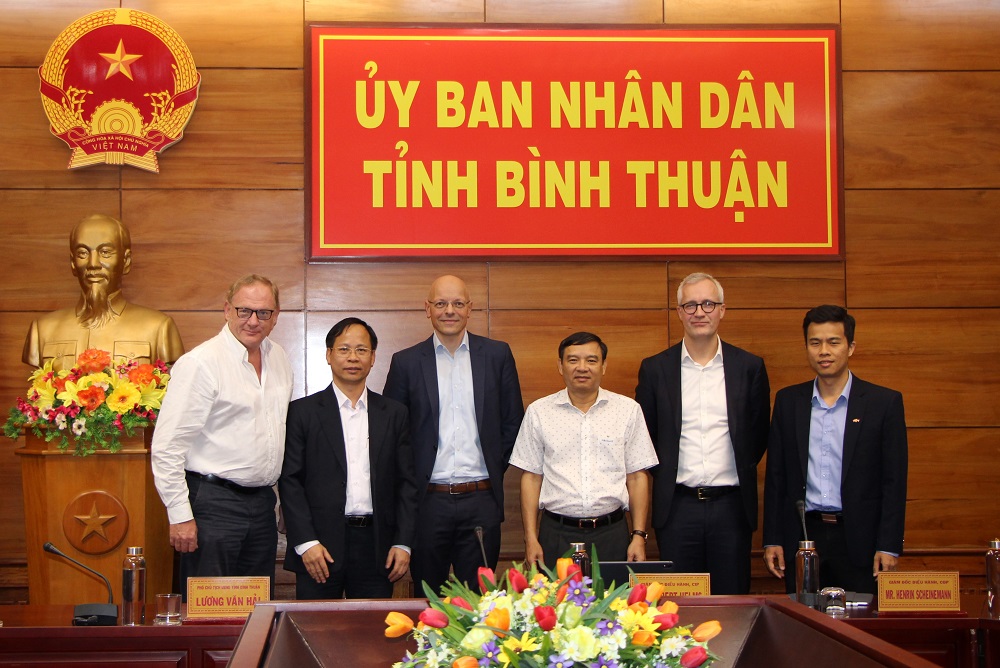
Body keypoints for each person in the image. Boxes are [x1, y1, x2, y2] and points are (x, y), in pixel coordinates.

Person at [151, 274, 293, 595]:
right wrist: (180, 515)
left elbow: (278, 436)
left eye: (264, 313)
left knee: (255, 610)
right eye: (245, 311)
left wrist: (284, 501)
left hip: (261, 506)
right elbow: (167, 447)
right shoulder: (200, 364)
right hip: (211, 506)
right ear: (227, 310)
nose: (253, 321)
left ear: (276, 317)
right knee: (207, 612)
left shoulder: (280, 359)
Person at [382, 274, 523, 595]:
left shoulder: (497, 355)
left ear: (470, 309)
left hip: (482, 500)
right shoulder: (405, 363)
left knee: (479, 600)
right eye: (441, 303)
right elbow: (393, 434)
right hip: (427, 502)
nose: (450, 311)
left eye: (458, 303)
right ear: (427, 309)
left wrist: (488, 471)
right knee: (427, 598)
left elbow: (513, 423)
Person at [635, 272, 770, 594]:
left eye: (708, 304)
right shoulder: (656, 369)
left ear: (722, 309)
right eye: (691, 305)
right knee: (678, 607)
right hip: (677, 507)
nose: (700, 312)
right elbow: (646, 437)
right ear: (679, 312)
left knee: (734, 601)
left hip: (732, 507)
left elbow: (758, 433)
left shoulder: (749, 367)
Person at [763, 305, 907, 595]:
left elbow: (894, 481)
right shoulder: (789, 402)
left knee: (859, 632)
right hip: (804, 537)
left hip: (860, 539)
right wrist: (773, 539)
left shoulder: (883, 403)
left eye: (833, 342)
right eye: (815, 343)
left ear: (851, 347)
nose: (824, 351)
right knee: (804, 630)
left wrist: (888, 544)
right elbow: (776, 476)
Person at [279, 317, 418, 599]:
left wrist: (403, 543)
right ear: (329, 355)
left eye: (361, 350)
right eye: (343, 349)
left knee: (371, 635)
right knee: (314, 635)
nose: (352, 357)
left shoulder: (394, 413)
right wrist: (306, 542)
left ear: (373, 357)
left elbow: (407, 483)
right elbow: (290, 481)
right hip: (319, 548)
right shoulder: (302, 413)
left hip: (377, 547)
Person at [512, 332, 658, 570]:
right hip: (556, 533)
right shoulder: (539, 412)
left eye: (591, 360)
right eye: (572, 360)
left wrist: (639, 535)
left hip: (612, 533)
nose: (582, 367)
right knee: (555, 605)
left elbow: (636, 476)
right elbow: (531, 477)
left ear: (604, 366)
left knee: (616, 605)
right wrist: (531, 538)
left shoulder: (628, 410)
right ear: (560, 366)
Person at [23, 213, 184, 369]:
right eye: (83, 253)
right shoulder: (43, 330)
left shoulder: (158, 328)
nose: (93, 264)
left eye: (105, 252)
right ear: (73, 263)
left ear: (126, 261)